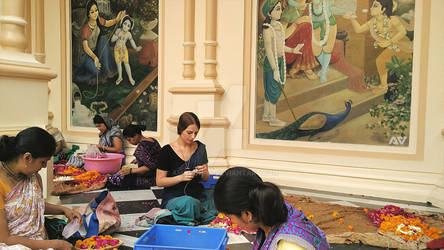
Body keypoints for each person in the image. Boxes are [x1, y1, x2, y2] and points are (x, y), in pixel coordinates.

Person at [0, 127, 83, 250]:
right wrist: (54, 244)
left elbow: (34, 206)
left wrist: (64, 210)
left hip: (38, 241)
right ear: (27, 158)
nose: (44, 167)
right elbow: (4, 239)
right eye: (43, 162)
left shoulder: (33, 178)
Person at [214, 167, 329, 250]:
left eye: (229, 217)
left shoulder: (288, 245)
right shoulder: (273, 210)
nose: (230, 221)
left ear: (247, 215)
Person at [156, 112, 215, 225]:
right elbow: (159, 181)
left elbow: (205, 179)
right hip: (175, 197)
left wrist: (204, 172)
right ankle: (197, 213)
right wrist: (180, 177)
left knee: (216, 194)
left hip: (198, 194)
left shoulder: (200, 148)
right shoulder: (166, 151)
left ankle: (191, 214)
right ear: (180, 130)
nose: (193, 136)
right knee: (189, 202)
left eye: (196, 133)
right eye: (189, 132)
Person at [343, 0, 412, 94]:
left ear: (383, 9)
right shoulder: (372, 22)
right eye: (372, 6)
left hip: (402, 46)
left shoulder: (392, 19)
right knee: (382, 61)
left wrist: (389, 41)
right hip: (392, 47)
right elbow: (358, 30)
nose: (371, 8)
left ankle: (384, 87)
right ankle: (385, 86)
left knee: (381, 60)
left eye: (375, 6)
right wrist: (351, 18)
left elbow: (402, 32)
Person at [262, 0, 303, 127]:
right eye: (277, 9)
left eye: (280, 9)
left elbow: (280, 47)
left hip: (279, 60)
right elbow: (269, 51)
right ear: (269, 13)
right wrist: (274, 69)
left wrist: (292, 50)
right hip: (271, 63)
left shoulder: (279, 26)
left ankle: (266, 115)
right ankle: (272, 118)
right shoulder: (267, 30)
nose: (281, 12)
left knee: (272, 89)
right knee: (273, 89)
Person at [73, 0, 126, 85]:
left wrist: (117, 19)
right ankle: (78, 78)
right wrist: (95, 58)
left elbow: (108, 23)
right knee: (98, 72)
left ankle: (107, 70)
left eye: (96, 10)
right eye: (92, 12)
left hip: (95, 50)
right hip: (87, 55)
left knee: (103, 39)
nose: (95, 13)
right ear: (88, 14)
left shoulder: (98, 20)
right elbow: (86, 48)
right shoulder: (86, 28)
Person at [107, 124, 161, 189]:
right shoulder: (152, 140)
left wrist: (130, 171)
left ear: (136, 135)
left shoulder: (141, 148)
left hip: (151, 178)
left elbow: (150, 166)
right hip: (160, 173)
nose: (129, 142)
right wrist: (138, 160)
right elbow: (153, 157)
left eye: (129, 139)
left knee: (115, 180)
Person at [111, 15, 142, 86]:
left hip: (124, 50)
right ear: (122, 23)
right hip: (117, 50)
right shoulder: (118, 30)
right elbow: (112, 40)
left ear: (130, 28)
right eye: (125, 24)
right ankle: (120, 77)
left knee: (126, 64)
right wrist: (117, 35)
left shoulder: (128, 34)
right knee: (118, 64)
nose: (126, 26)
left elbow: (132, 41)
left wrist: (135, 48)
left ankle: (130, 78)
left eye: (128, 26)